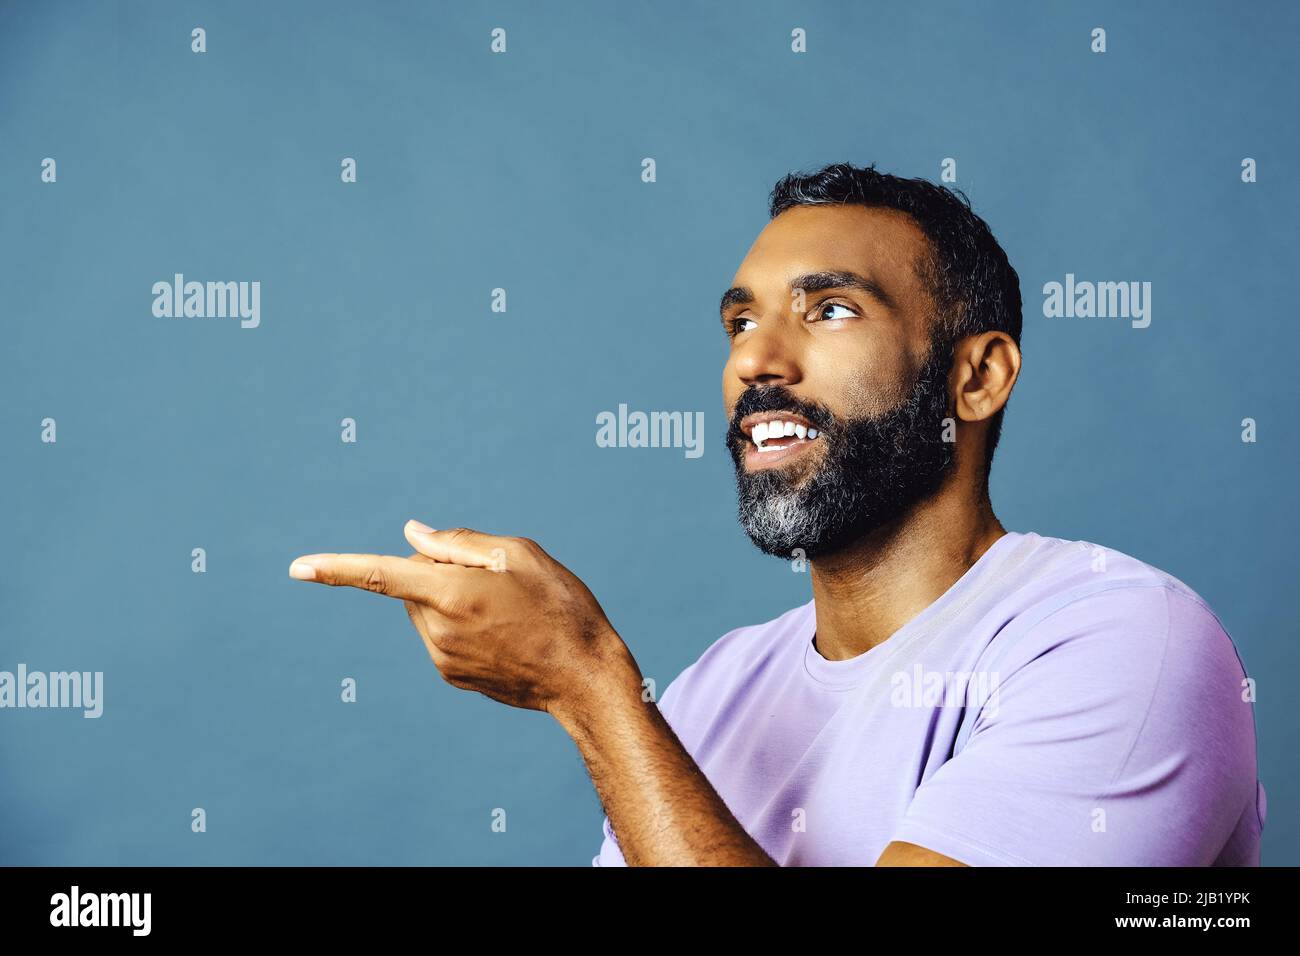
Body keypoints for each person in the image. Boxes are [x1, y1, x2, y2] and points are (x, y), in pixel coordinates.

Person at [289, 162, 1264, 866]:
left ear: (975, 375)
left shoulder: (1124, 640)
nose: (757, 360)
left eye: (830, 309)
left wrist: (589, 687)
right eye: (739, 321)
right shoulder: (717, 688)